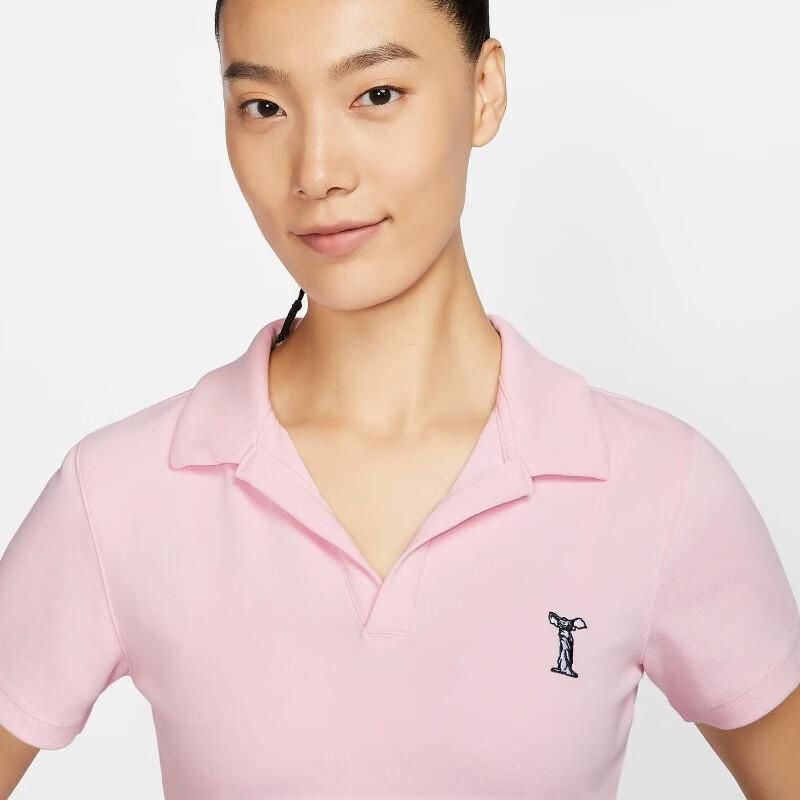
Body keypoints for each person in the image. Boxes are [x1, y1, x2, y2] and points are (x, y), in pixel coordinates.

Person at [1, 1, 799, 797]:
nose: (317, 172)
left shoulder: (660, 487)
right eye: (264, 107)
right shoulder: (119, 495)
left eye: (376, 95)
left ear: (484, 91)